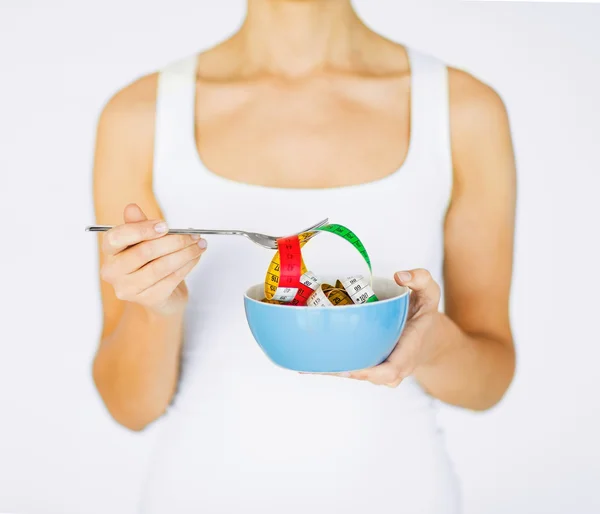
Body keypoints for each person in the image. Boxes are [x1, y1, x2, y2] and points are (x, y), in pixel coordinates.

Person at [91, 0, 516, 512]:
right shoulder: (140, 117)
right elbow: (129, 408)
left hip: (401, 493)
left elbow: (489, 384)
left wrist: (430, 343)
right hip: (200, 493)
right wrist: (156, 308)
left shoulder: (463, 110)